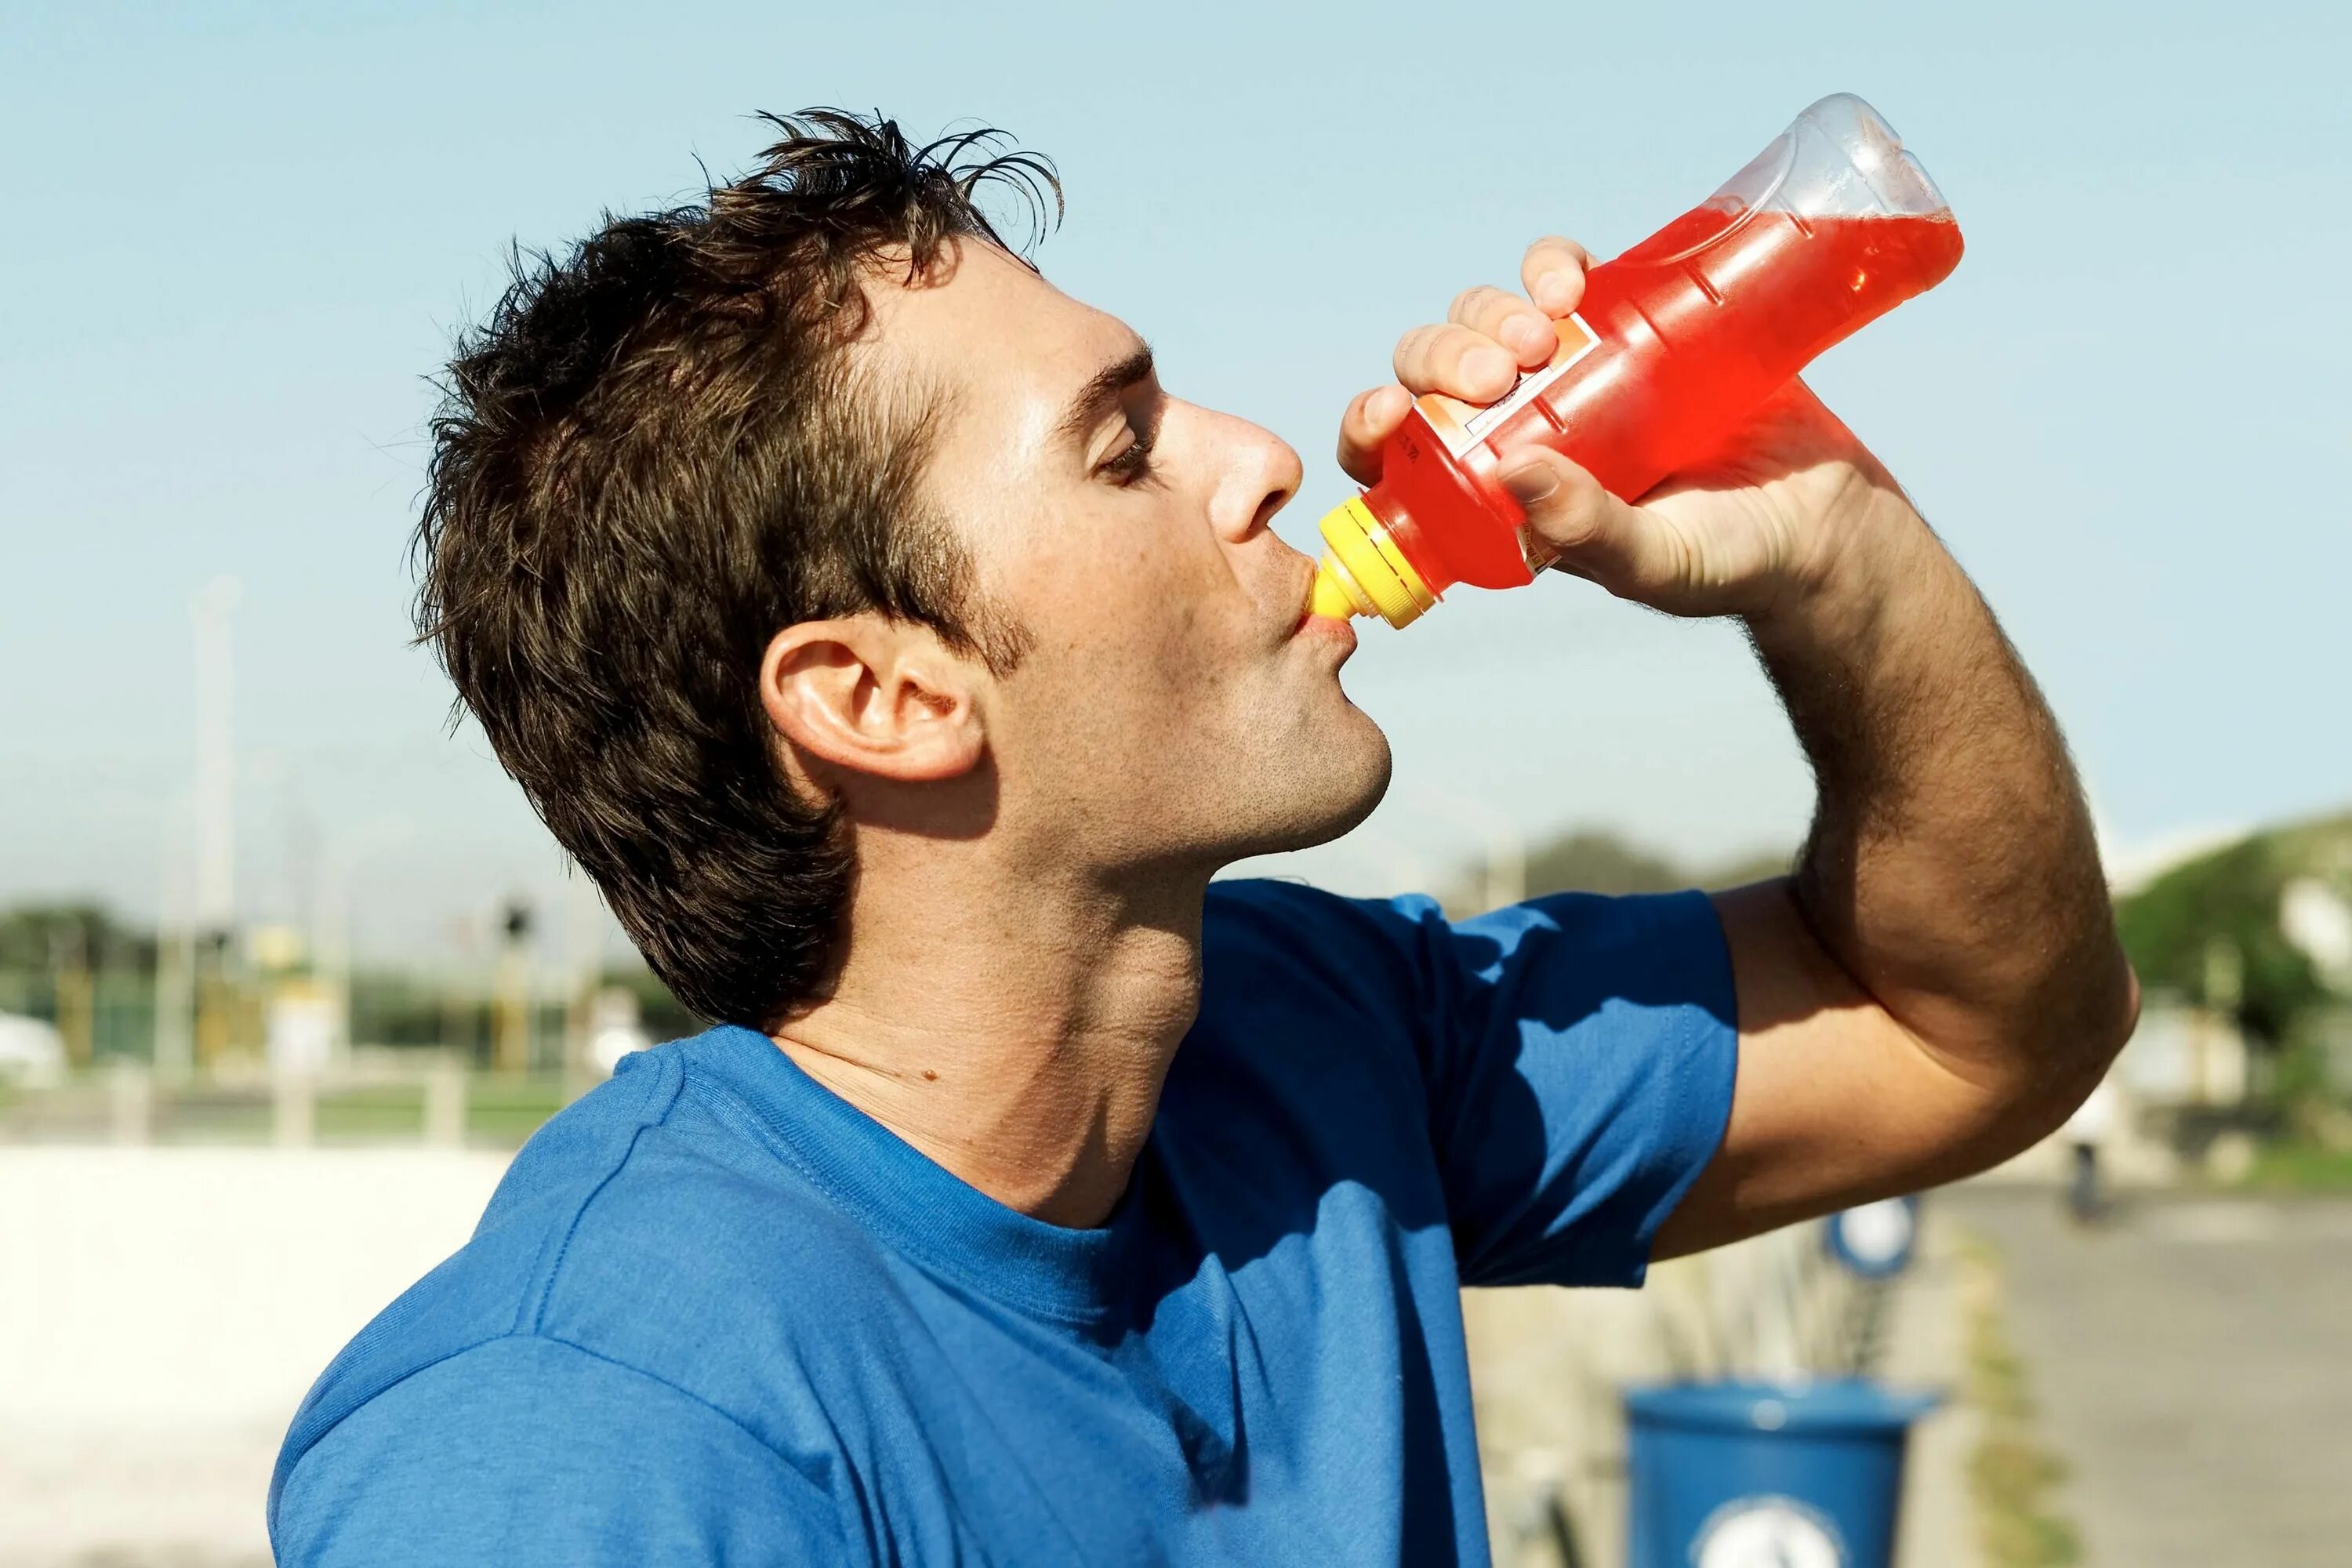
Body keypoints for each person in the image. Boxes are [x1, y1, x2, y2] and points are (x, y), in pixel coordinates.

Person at [268, 113, 2136, 1566]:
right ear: (885, 699)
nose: (1257, 458)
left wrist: (1831, 549)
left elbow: (1976, 1026)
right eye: (1121, 442)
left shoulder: (1322, 1047)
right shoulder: (584, 1437)